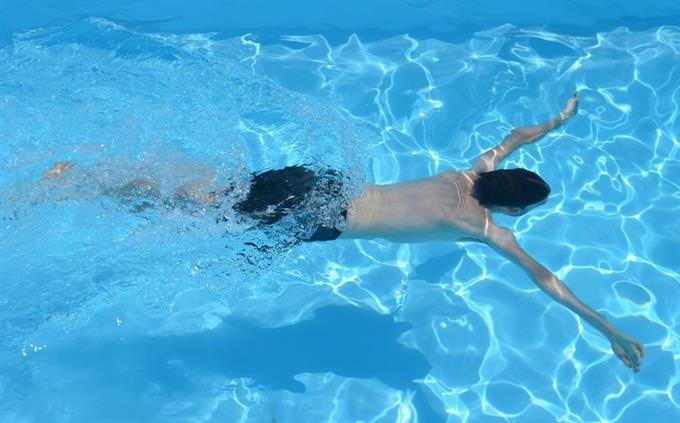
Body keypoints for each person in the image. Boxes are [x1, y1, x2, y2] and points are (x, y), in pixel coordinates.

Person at [41, 93, 644, 372]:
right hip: (322, 219)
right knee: (198, 220)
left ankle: (113, 179)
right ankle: (92, 183)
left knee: (214, 195)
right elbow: (547, 281)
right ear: (512, 212)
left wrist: (560, 122)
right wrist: (611, 329)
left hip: (321, 182)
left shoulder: (472, 173)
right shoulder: (482, 228)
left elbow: (516, 135)